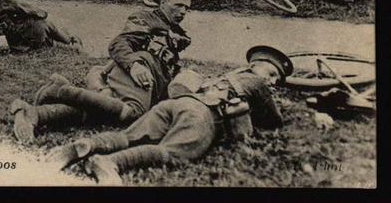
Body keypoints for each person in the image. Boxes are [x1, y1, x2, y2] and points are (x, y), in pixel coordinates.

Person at [48, 45, 291, 184]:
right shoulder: (256, 83)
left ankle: (87, 145)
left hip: (177, 103)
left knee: (129, 136)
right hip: (203, 115)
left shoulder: (222, 78)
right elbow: (274, 121)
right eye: (271, 74)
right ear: (252, 68)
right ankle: (111, 163)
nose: (273, 82)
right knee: (175, 152)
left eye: (277, 80)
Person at [9, 0, 194, 143]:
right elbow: (119, 43)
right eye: (178, 5)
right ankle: (62, 91)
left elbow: (166, 64)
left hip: (148, 81)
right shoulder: (146, 18)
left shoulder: (176, 32)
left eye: (186, 7)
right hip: (136, 72)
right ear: (163, 1)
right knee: (133, 113)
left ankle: (36, 114)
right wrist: (134, 65)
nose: (183, 11)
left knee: (103, 109)